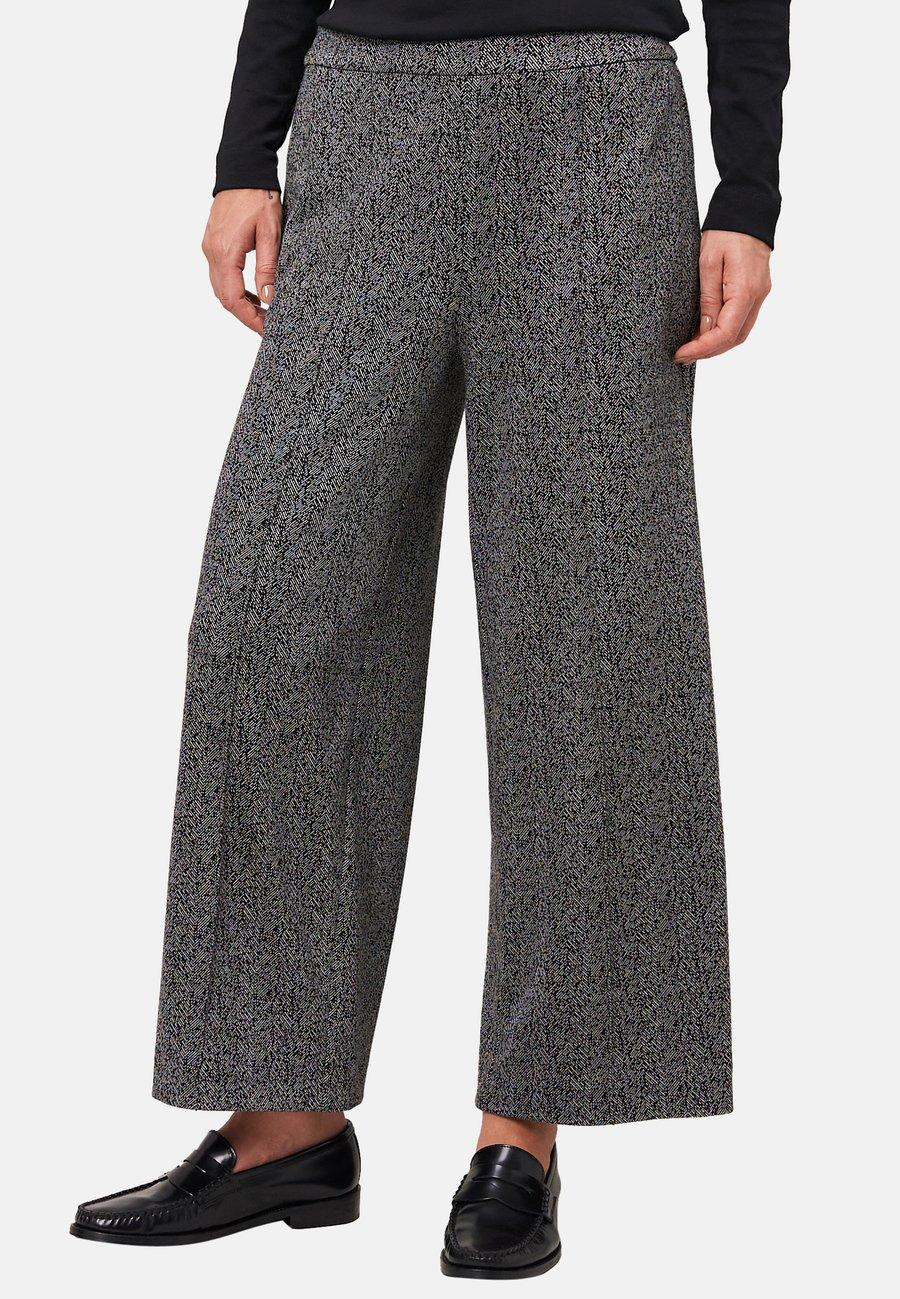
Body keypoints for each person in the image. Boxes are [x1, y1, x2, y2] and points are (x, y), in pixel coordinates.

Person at [70, 0, 790, 1279]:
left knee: (588, 628)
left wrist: (748, 190)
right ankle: (283, 1119)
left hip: (597, 119)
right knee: (272, 613)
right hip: (362, 109)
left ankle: (527, 1127)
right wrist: (246, 150)